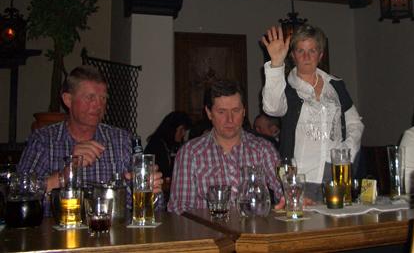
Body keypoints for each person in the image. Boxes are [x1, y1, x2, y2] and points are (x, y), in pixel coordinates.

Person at [17, 65, 163, 213]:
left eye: (103, 98)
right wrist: (66, 175)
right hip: (59, 226)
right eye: (90, 97)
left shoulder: (122, 140)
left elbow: (152, 207)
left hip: (111, 226)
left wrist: (151, 190)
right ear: (68, 100)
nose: (98, 105)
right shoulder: (44, 140)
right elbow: (21, 194)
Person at [261, 24, 364, 197]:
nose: (306, 56)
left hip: (336, 175)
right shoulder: (287, 88)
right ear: (293, 55)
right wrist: (276, 64)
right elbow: (272, 108)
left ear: (320, 55)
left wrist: (347, 152)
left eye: (312, 50)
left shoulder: (335, 85)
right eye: (300, 50)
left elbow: (355, 123)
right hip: (299, 177)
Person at [167, 79, 282, 213]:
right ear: (209, 113)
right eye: (221, 112)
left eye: (236, 110)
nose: (230, 119)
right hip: (207, 226)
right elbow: (179, 210)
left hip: (254, 225)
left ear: (244, 111)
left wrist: (289, 198)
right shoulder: (190, 153)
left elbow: (284, 191)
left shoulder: (263, 150)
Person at [144, 111, 191, 198]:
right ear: (172, 129)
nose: (183, 134)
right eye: (181, 129)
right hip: (157, 193)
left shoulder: (177, 146)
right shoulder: (156, 145)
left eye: (185, 130)